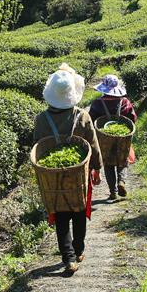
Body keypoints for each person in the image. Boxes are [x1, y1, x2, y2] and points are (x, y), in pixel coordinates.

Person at [33, 63, 103, 275]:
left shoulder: (41, 120)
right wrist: (97, 167)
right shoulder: (82, 116)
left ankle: (69, 258)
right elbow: (93, 143)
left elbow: (37, 147)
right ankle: (79, 249)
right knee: (79, 210)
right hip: (78, 175)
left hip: (53, 177)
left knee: (61, 215)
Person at [89, 74, 138, 201]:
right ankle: (121, 181)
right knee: (122, 160)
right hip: (122, 137)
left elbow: (91, 120)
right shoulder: (125, 102)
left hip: (104, 139)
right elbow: (133, 118)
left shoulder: (97, 104)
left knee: (108, 164)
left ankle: (113, 192)